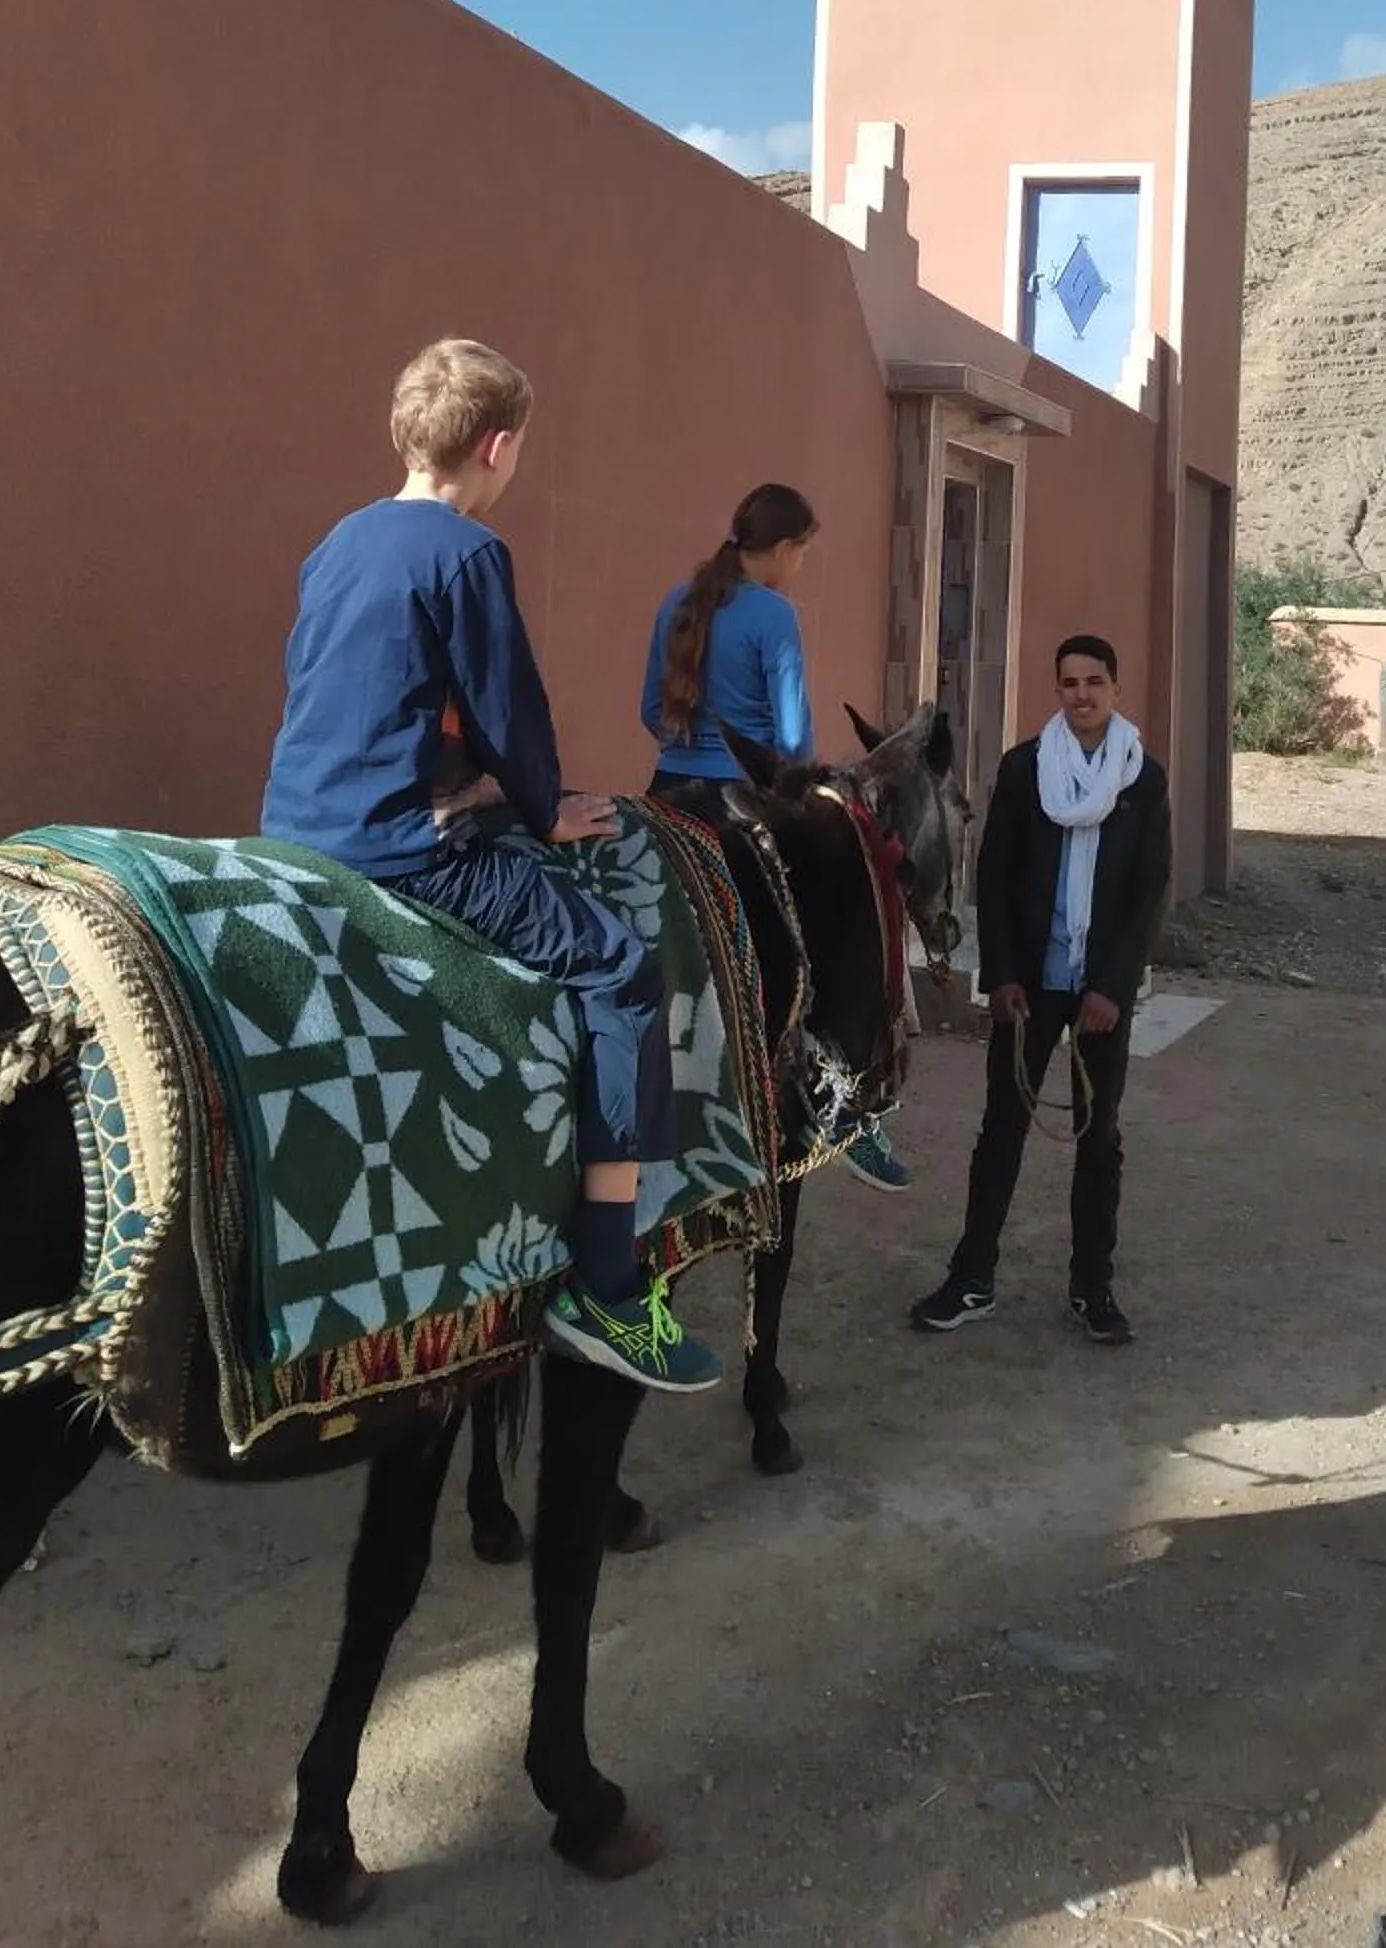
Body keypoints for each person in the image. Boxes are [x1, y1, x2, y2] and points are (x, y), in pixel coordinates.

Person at [262, 336, 723, 1394]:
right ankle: (608, 1282)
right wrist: (544, 809)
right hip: (402, 847)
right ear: (499, 446)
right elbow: (510, 710)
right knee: (621, 972)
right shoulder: (467, 554)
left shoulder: (337, 542)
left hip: (295, 827)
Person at [640, 486, 913, 1194]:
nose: (800, 567)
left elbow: (650, 712)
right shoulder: (775, 616)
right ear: (788, 548)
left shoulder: (678, 601)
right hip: (744, 813)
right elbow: (793, 742)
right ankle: (848, 1110)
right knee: (846, 935)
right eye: (802, 553)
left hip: (665, 801)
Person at [909, 634, 1171, 1345]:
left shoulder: (1142, 779)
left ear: (1115, 688)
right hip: (1031, 985)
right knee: (1002, 1130)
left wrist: (1113, 987)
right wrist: (1000, 975)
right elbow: (994, 877)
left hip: (1100, 995)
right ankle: (971, 1279)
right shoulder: (1025, 769)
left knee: (1098, 1138)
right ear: (1057, 691)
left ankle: (1093, 1287)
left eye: (1094, 682)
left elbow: (1149, 891)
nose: (1082, 695)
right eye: (1069, 683)